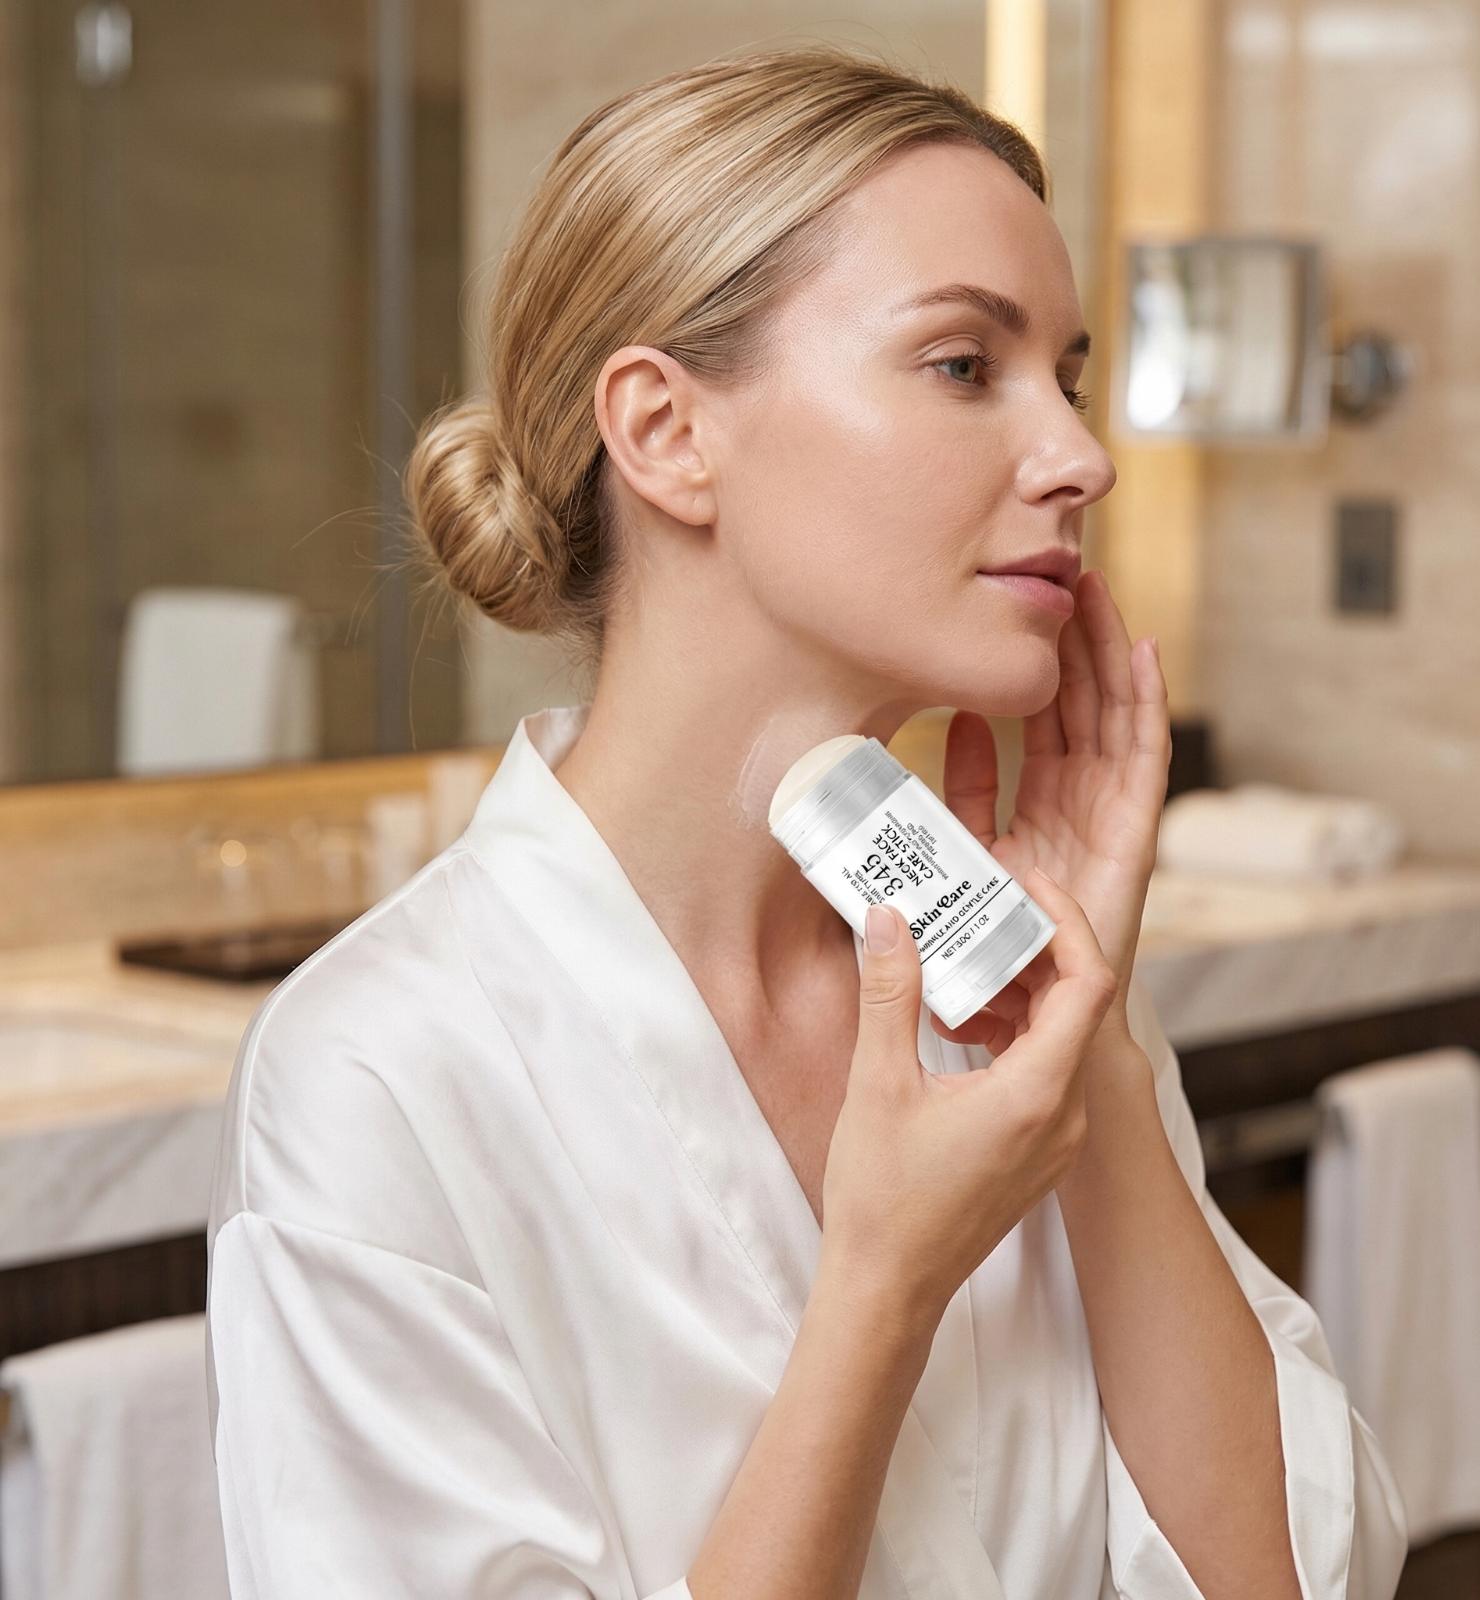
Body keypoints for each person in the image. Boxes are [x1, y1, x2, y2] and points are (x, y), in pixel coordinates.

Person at [204, 42, 1409, 1600]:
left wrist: (1088, 1050)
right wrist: (881, 1289)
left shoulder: (1014, 986)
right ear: (667, 432)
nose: (1083, 458)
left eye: (1068, 378)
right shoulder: (385, 1077)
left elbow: (1289, 1581)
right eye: (965, 366)